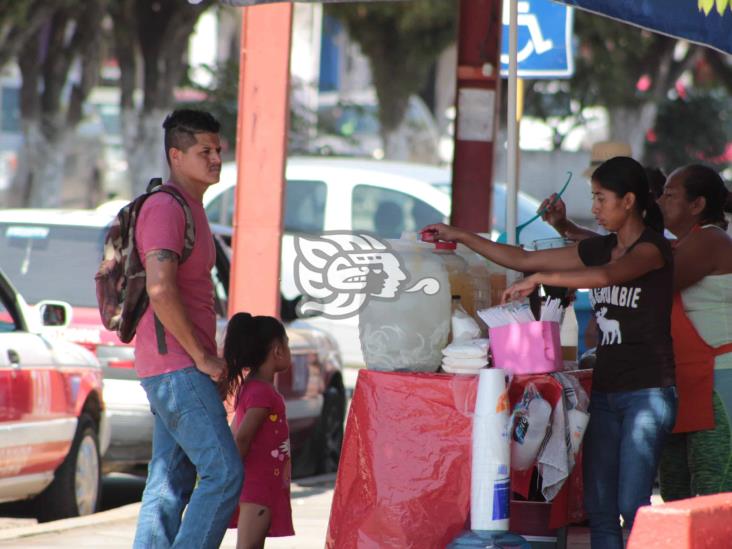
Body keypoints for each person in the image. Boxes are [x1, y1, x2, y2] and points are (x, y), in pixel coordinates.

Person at [423, 156, 677, 548]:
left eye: (600, 198)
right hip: (607, 391)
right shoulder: (600, 247)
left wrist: (541, 278)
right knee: (600, 507)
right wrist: (462, 235)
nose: (594, 208)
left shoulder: (652, 249)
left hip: (648, 392)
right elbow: (524, 258)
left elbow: (607, 277)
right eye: (593, 198)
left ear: (628, 200)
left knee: (633, 503)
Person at [539, 164, 732, 500]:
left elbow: (636, 271)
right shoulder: (676, 245)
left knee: (712, 490)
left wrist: (568, 270)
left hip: (717, 381)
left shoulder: (710, 240)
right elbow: (625, 253)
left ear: (697, 205)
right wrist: (568, 229)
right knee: (676, 494)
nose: (659, 201)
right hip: (682, 378)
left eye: (669, 195)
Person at [133, 109, 243, 548]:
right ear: (176, 156)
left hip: (178, 366)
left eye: (218, 150)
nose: (215, 158)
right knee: (223, 472)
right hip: (177, 365)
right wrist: (200, 357)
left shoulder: (193, 207)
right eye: (204, 151)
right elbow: (160, 290)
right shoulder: (165, 208)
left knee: (169, 482)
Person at [222, 313, 295, 548]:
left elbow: (236, 432)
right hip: (259, 485)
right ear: (277, 350)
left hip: (258, 484)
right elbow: (242, 437)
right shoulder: (263, 393)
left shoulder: (250, 388)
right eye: (287, 344)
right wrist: (229, 475)